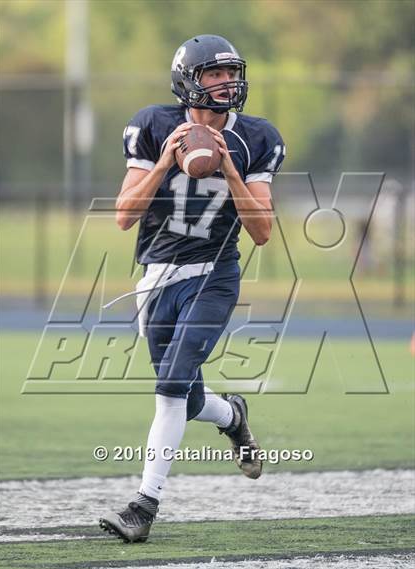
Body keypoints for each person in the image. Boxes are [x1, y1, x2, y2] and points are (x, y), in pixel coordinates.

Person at [99, 34, 285, 543]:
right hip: (158, 277)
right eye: (215, 74)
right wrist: (165, 161)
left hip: (214, 275)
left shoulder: (257, 137)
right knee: (188, 393)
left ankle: (143, 506)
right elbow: (122, 216)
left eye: (232, 73)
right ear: (189, 80)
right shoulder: (153, 125)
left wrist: (227, 165)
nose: (228, 82)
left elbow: (263, 231)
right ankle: (233, 414)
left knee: (169, 390)